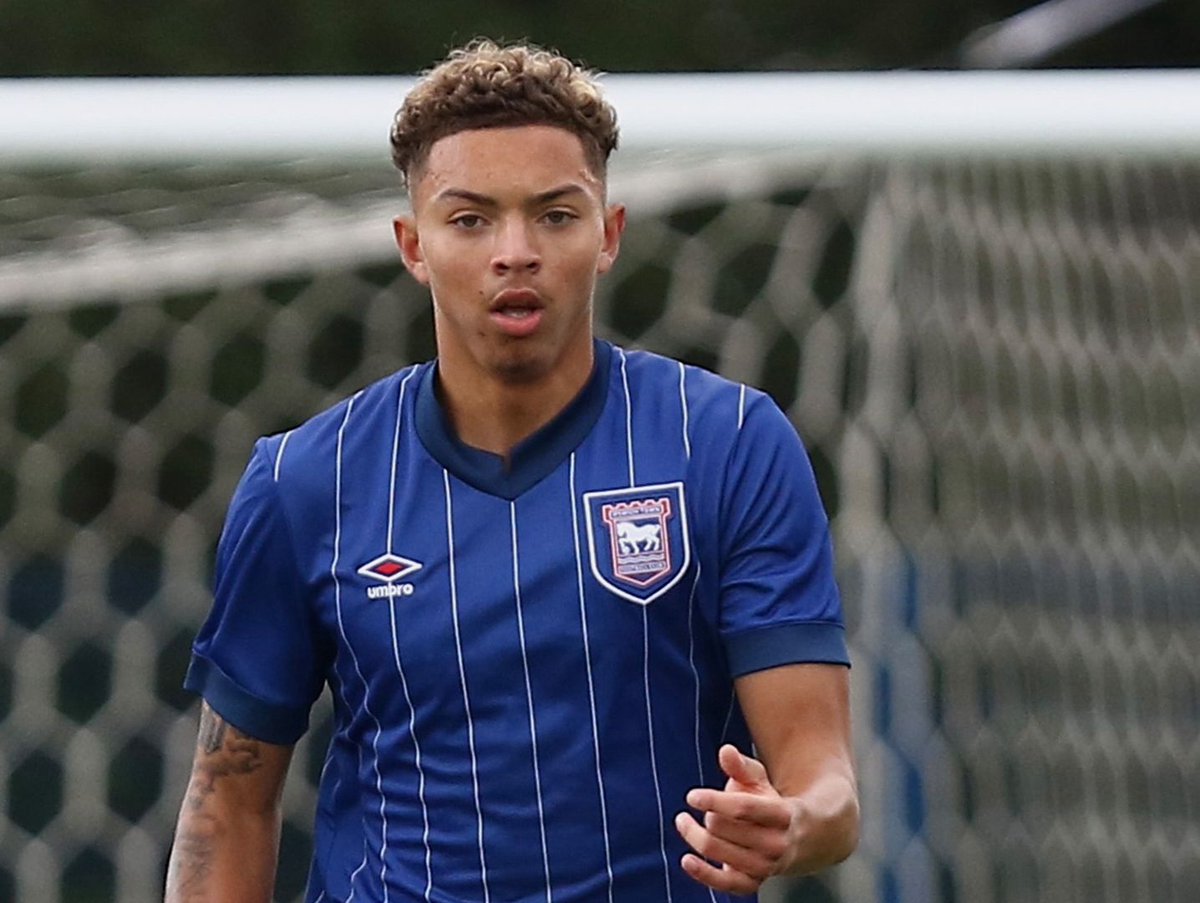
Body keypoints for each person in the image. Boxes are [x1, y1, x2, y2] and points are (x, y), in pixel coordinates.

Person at [165, 39, 858, 903]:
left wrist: (794, 824)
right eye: (471, 219)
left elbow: (825, 783)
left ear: (608, 236)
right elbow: (228, 799)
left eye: (556, 215)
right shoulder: (307, 480)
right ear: (413, 245)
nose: (515, 252)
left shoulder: (727, 444)